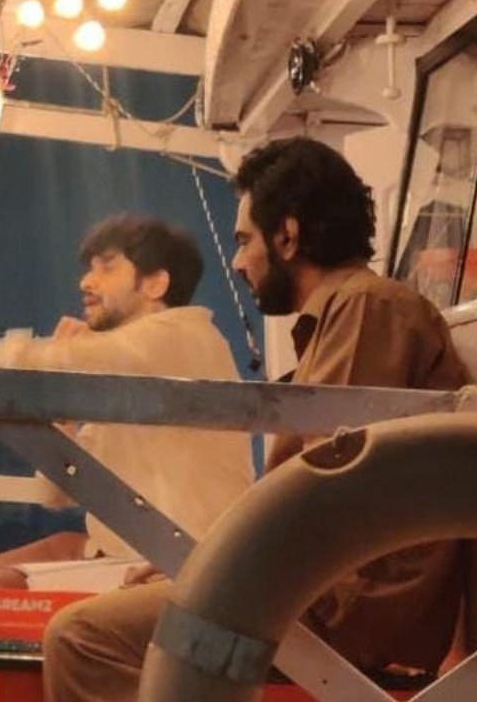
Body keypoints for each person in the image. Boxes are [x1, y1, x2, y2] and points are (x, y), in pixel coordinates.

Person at [41, 137, 474, 701]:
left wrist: (217, 569)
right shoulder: (347, 317)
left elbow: (334, 490)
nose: (238, 262)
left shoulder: (367, 307)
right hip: (323, 587)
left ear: (287, 236)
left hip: (343, 601)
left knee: (82, 637)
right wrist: (206, 562)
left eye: (245, 240)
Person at [0, 216, 254, 588]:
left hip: (178, 562)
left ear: (156, 283)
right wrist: (64, 403)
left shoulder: (183, 333)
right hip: (120, 551)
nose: (86, 281)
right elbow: (56, 494)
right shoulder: (128, 369)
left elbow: (33, 361)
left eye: (107, 267)